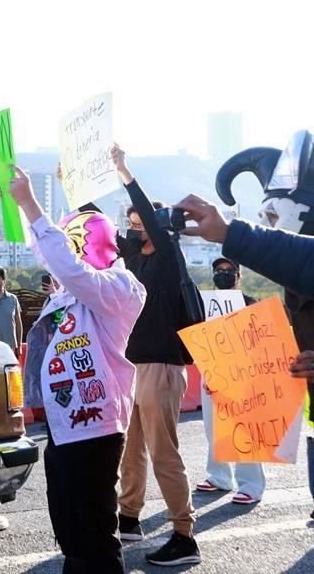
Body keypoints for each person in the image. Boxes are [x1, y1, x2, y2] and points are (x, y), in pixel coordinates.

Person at [9, 165, 146, 574]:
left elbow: (68, 267)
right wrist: (16, 204)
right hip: (63, 422)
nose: (62, 259)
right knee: (69, 525)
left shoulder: (120, 288)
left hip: (97, 426)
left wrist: (32, 203)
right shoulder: (71, 292)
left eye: (74, 244)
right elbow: (48, 253)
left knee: (93, 528)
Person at [179, 127, 314, 519]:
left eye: (275, 215)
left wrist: (228, 232)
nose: (268, 221)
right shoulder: (293, 287)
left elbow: (298, 255)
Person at [109, 145, 200, 565]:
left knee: (164, 454)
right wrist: (70, 188)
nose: (134, 229)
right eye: (130, 224)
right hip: (133, 368)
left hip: (162, 367)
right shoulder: (133, 260)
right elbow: (93, 231)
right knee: (130, 450)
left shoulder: (167, 257)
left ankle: (184, 536)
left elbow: (149, 218)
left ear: (156, 228)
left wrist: (125, 172)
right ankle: (129, 518)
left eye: (140, 223)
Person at [195, 258, 265, 504]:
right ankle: (219, 477)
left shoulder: (249, 303)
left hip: (242, 374)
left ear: (239, 275)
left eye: (229, 271)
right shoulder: (204, 304)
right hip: (212, 373)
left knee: (244, 429)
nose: (223, 274)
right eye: (219, 270)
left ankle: (251, 485)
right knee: (213, 426)